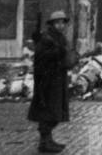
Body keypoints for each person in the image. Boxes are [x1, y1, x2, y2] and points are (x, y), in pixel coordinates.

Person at [28, 10, 75, 153]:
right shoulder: (47, 39)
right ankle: (44, 142)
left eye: (62, 23)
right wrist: (58, 52)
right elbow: (41, 58)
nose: (61, 25)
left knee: (55, 111)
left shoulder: (59, 37)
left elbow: (64, 53)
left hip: (57, 79)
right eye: (57, 23)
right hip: (47, 81)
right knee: (48, 111)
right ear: (52, 24)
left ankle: (48, 140)